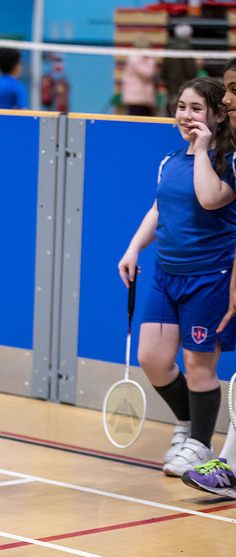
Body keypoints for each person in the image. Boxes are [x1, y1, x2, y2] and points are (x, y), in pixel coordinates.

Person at [118, 77, 236, 477]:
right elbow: (159, 208)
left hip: (210, 278)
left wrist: (204, 148)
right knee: (152, 357)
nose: (186, 115)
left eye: (197, 109)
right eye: (181, 107)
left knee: (199, 364)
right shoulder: (169, 161)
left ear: (219, 115)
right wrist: (135, 248)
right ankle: (188, 425)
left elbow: (208, 198)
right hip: (166, 275)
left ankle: (201, 445)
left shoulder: (229, 162)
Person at [180, 59, 236, 499]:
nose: (228, 97)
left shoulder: (224, 160)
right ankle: (229, 466)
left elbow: (211, 199)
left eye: (234, 89)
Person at [160, 24, 197, 115]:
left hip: (171, 88)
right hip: (185, 88)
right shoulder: (187, 50)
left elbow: (163, 72)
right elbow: (191, 72)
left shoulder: (169, 49)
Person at [121, 34, 158, 117]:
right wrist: (152, 60)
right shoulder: (134, 58)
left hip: (144, 98)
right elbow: (148, 73)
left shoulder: (144, 57)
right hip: (136, 97)